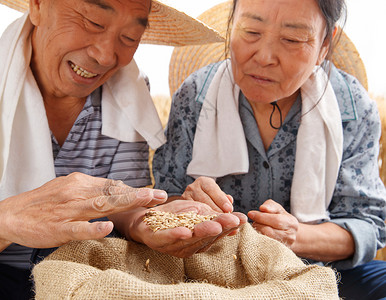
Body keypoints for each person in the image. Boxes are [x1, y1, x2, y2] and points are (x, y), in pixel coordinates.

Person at [0, 0, 246, 299]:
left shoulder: (129, 96)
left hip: (73, 273)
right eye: (93, 22)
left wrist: (149, 219)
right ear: (38, 5)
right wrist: (5, 221)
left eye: (129, 37)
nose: (105, 55)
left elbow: (121, 209)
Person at [153, 0, 386, 299]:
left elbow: (366, 227)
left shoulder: (351, 109)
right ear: (231, 25)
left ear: (324, 44)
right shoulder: (196, 96)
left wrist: (297, 236)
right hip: (213, 270)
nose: (264, 57)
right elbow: (164, 200)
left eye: (291, 39)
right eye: (250, 31)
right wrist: (186, 204)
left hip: (317, 271)